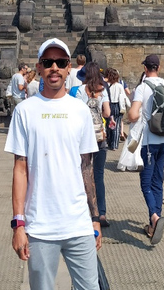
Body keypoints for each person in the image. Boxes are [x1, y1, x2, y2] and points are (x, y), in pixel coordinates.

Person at [5, 38, 102, 290]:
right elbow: (20, 169)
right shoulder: (25, 111)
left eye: (60, 62)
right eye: (48, 62)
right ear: (39, 67)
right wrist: (19, 223)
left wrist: (95, 218)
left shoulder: (79, 110)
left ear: (69, 67)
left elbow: (87, 168)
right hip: (39, 226)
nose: (54, 68)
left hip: (78, 222)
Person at [127, 54, 164, 245]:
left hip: (148, 142)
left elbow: (132, 115)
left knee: (145, 183)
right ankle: (153, 223)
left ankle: (155, 217)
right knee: (158, 181)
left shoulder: (142, 87)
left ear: (145, 68)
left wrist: (137, 112)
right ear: (159, 67)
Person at [75, 62, 112, 228]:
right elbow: (107, 113)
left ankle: (89, 213)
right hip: (100, 137)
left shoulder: (79, 91)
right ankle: (102, 214)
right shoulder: (102, 89)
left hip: (84, 138)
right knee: (99, 175)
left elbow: (76, 114)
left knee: (85, 174)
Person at [106, 68, 131, 146]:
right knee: (117, 125)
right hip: (117, 106)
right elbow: (124, 96)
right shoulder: (119, 86)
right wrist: (129, 105)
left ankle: (109, 142)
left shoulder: (107, 85)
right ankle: (115, 144)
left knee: (109, 124)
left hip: (109, 105)